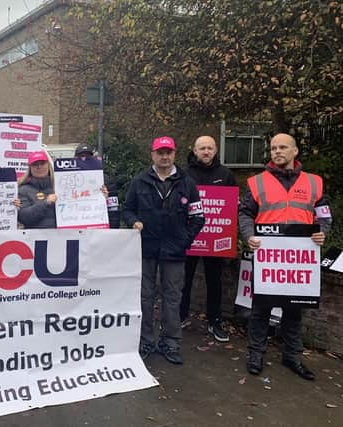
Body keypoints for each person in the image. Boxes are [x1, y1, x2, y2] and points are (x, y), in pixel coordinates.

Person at [240, 133, 332, 380]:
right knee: (260, 311)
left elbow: (323, 216)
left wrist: (322, 232)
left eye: (282, 147)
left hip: (298, 261)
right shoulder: (256, 182)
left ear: (295, 151)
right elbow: (245, 213)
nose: (277, 151)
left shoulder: (314, 183)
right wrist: (249, 235)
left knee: (294, 312)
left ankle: (292, 357)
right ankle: (255, 355)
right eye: (273, 148)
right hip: (267, 259)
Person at [122, 136, 205, 364]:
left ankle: (171, 343)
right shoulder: (140, 181)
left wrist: (184, 241)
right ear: (152, 154)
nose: (164, 156)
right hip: (146, 249)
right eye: (160, 152)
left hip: (174, 252)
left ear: (174, 154)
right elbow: (127, 210)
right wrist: (133, 222)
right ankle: (145, 340)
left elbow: (198, 218)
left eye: (168, 152)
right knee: (144, 297)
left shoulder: (187, 182)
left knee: (172, 298)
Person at [180, 135, 237, 342]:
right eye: (202, 148)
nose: (206, 152)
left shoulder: (226, 174)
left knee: (215, 282)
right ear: (194, 151)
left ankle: (214, 322)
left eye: (210, 148)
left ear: (215, 150)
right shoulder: (184, 174)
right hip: (190, 236)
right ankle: (181, 316)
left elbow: (232, 206)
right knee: (184, 280)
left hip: (216, 237)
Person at [73, 143, 120, 228]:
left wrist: (113, 230)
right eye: (81, 156)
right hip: (75, 227)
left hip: (99, 229)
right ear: (75, 159)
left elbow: (113, 210)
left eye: (88, 157)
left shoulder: (106, 180)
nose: (84, 159)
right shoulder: (70, 180)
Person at [18, 151, 58, 229]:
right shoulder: (23, 190)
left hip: (63, 237)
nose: (39, 167)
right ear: (30, 168)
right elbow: (24, 217)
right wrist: (45, 203)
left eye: (42, 163)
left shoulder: (58, 186)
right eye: (35, 164)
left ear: (48, 165)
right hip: (35, 239)